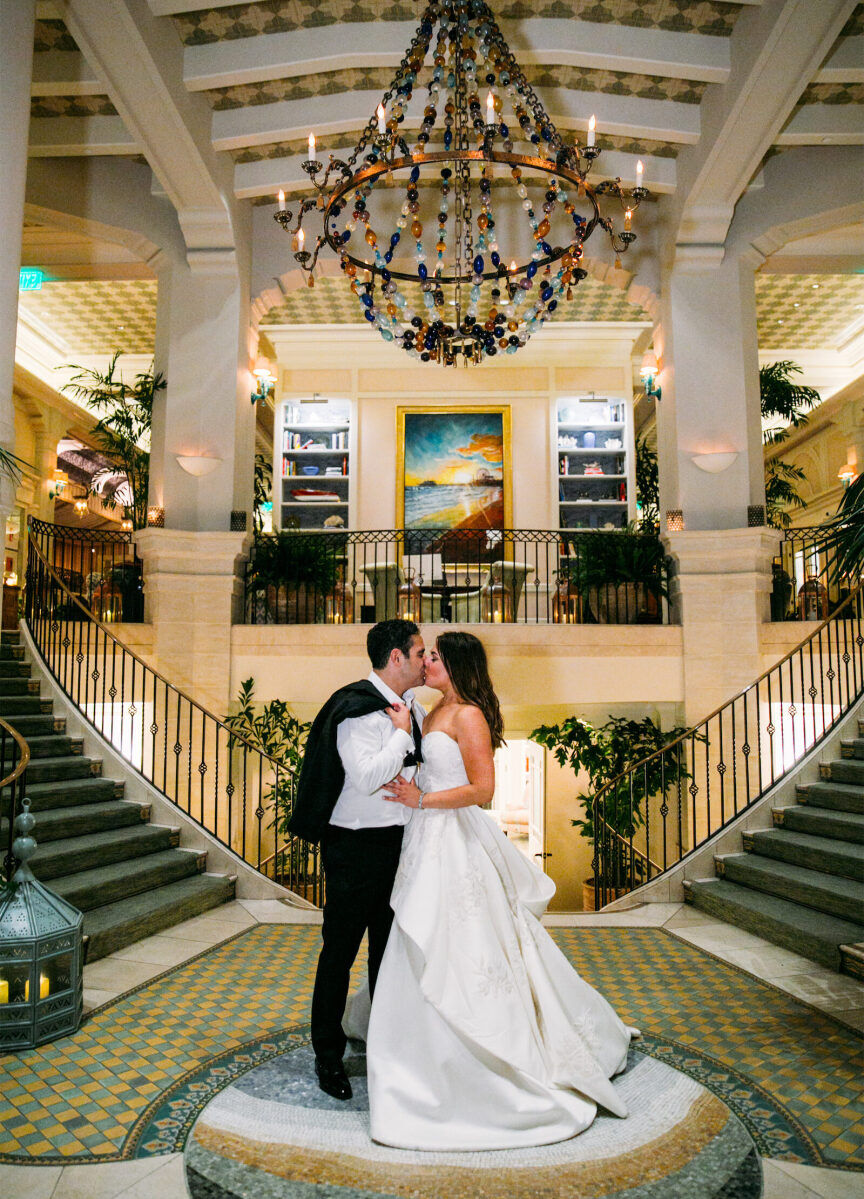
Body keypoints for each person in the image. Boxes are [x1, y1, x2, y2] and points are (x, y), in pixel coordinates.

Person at [348, 630, 638, 1151]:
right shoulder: (431, 710)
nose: (426, 662)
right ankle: (411, 1046)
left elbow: (483, 791)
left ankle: (485, 1053)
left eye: (434, 656)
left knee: (464, 939)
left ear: (456, 665)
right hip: (423, 840)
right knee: (418, 931)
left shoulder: (469, 716)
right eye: (425, 654)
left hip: (452, 838)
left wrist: (421, 801)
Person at [288, 618, 427, 1102]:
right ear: (395, 657)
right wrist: (402, 737)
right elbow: (367, 776)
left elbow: (416, 770)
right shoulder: (354, 708)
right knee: (340, 953)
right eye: (418, 653)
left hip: (398, 846)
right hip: (352, 848)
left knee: (388, 956)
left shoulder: (412, 708)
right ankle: (328, 1055)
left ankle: (385, 1044)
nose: (424, 661)